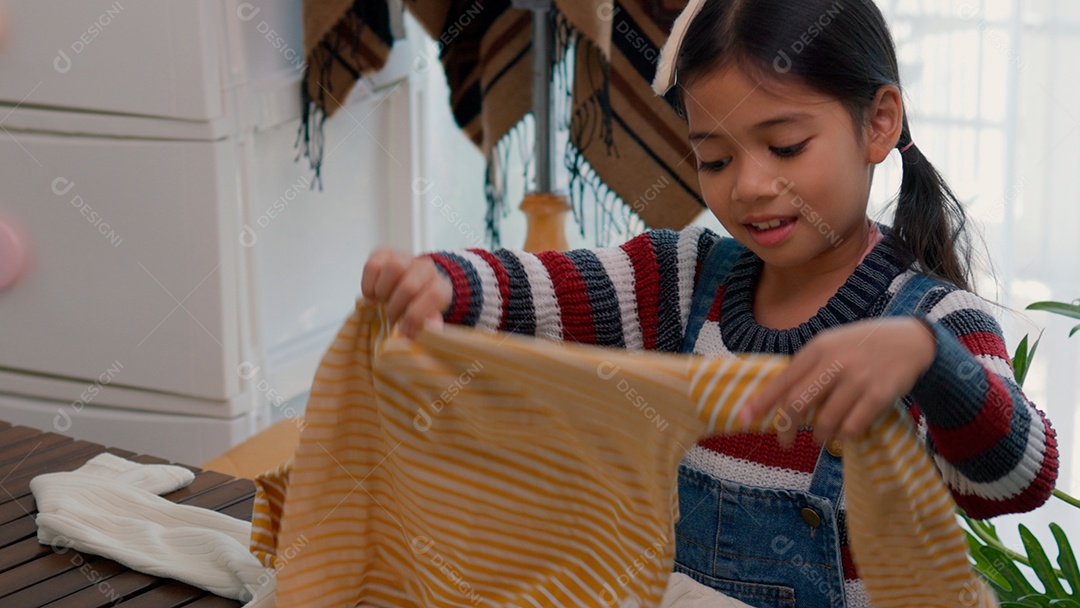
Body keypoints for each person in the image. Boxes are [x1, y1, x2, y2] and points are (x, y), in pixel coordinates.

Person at [361, 0, 1058, 605]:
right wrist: (449, 282)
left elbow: (1017, 479)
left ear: (878, 123)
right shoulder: (683, 281)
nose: (750, 185)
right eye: (716, 159)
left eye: (784, 146)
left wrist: (928, 362)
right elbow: (548, 289)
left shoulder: (936, 324)